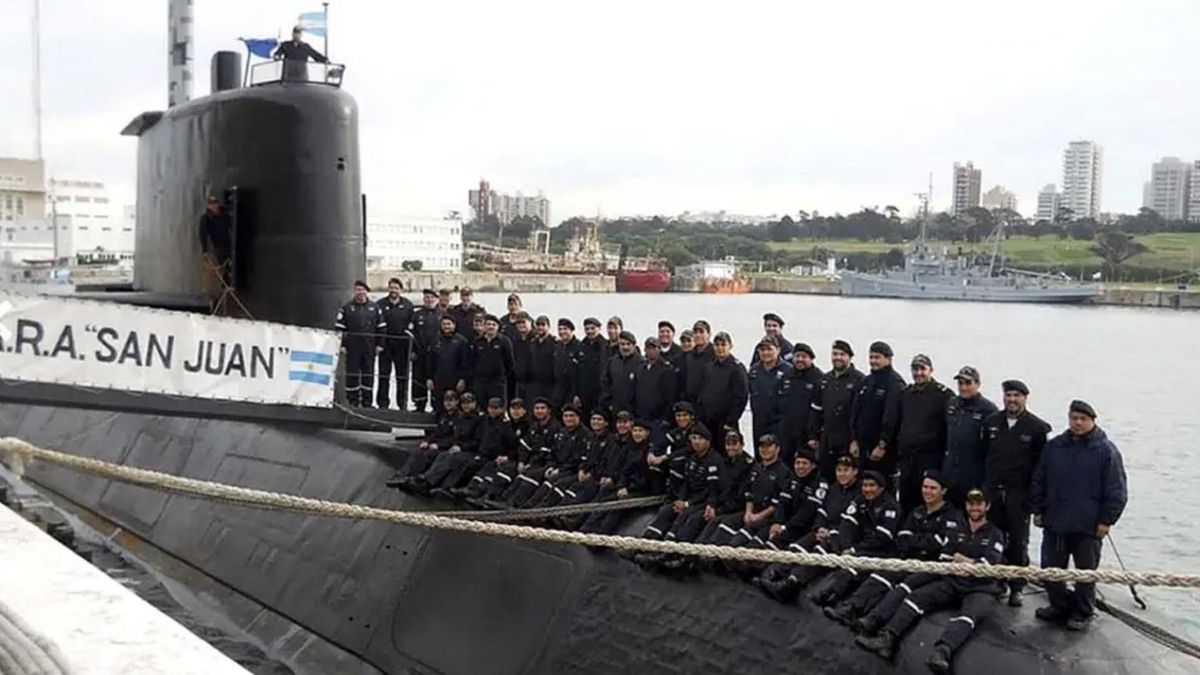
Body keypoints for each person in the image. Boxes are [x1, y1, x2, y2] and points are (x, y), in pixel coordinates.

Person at [854, 488, 1006, 674]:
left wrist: (962, 560)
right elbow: (944, 557)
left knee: (968, 615)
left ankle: (942, 652)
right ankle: (887, 639)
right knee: (916, 597)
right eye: (971, 504)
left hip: (981, 589)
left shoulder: (995, 534)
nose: (975, 508)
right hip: (953, 581)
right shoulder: (958, 529)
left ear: (987, 506)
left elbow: (988, 566)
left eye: (979, 504)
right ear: (966, 506)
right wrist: (966, 564)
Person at [1032, 400, 1128, 631]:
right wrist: (1037, 508)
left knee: (1085, 573)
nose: (1077, 423)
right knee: (1050, 570)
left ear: (1092, 421)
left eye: (1083, 419)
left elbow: (1117, 491)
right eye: (1074, 418)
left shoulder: (1106, 451)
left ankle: (1083, 611)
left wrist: (1106, 520)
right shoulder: (1054, 447)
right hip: (1055, 521)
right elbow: (1039, 479)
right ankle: (1060, 605)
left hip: (1088, 525)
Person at [824, 470, 963, 626]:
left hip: (931, 566)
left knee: (904, 587)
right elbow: (902, 539)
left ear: (943, 491)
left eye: (933, 488)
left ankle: (874, 621)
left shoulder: (952, 516)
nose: (927, 492)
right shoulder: (917, 511)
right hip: (908, 559)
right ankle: (850, 609)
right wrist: (922, 541)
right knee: (881, 575)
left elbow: (939, 544)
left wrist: (916, 541)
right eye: (925, 487)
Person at [982, 379, 1051, 607]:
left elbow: (1042, 468)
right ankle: (997, 580)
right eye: (1008, 395)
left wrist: (1037, 502)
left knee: (1019, 541)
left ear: (1025, 398)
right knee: (995, 537)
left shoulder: (1037, 428)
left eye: (1016, 396)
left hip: (1019, 494)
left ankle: (1017, 586)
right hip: (994, 492)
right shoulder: (992, 423)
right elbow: (984, 457)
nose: (1012, 400)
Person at [634, 424, 724, 559]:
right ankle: (645, 544)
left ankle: (672, 553)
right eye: (693, 438)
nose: (696, 442)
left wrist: (687, 503)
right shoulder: (693, 458)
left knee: (687, 517)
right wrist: (680, 499)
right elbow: (686, 483)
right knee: (666, 511)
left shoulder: (713, 461)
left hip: (704, 501)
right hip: (690, 498)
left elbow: (712, 490)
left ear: (708, 441)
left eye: (700, 438)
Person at [887, 354, 952, 513]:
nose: (919, 373)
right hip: (908, 459)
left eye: (923, 369)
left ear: (931, 370)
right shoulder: (906, 394)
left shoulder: (943, 395)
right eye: (915, 369)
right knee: (906, 501)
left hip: (930, 458)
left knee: (927, 500)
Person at [703, 434, 790, 548]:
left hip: (768, 517)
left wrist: (758, 516)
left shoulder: (784, 472)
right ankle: (703, 552)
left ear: (777, 449)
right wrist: (749, 512)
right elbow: (748, 493)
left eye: (768, 446)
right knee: (720, 524)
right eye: (762, 446)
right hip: (750, 512)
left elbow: (779, 502)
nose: (764, 450)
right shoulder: (756, 468)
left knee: (736, 542)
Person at [808, 340, 865, 482]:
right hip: (827, 439)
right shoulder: (825, 380)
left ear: (850, 357)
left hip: (847, 440)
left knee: (847, 478)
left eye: (842, 354)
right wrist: (813, 435)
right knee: (826, 476)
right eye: (835, 354)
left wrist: (855, 440)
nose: (838, 357)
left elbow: (861, 416)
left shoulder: (860, 380)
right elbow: (816, 410)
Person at [849, 341, 905, 483]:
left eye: (877, 357)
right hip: (862, 445)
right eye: (871, 357)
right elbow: (855, 412)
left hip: (882, 449)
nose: (873, 361)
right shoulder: (866, 381)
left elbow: (892, 417)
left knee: (880, 483)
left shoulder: (895, 383)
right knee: (863, 483)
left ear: (888, 359)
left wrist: (882, 444)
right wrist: (854, 440)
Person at [941, 366, 998, 504]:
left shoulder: (988, 409)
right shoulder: (952, 404)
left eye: (968, 383)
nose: (963, 388)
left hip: (973, 475)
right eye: (960, 383)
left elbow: (993, 449)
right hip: (950, 474)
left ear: (977, 384)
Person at [334, 281, 385, 407]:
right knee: (352, 374)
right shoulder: (347, 308)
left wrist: (380, 345)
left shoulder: (375, 308)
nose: (360, 292)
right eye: (357, 290)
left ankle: (367, 402)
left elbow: (382, 328)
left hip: (369, 346)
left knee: (368, 374)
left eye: (362, 290)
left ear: (366, 292)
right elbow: (339, 328)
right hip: (352, 347)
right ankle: (353, 401)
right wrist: (342, 345)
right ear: (354, 291)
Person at [777, 343, 823, 466]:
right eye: (797, 356)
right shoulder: (787, 376)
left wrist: (814, 435)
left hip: (807, 435)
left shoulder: (819, 378)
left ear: (811, 358)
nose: (800, 360)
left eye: (804, 357)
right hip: (787, 433)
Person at [697, 332, 749, 440]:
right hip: (708, 421)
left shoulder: (737, 368)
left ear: (730, 346)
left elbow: (741, 398)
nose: (720, 348)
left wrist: (730, 420)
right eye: (717, 345)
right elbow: (703, 391)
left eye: (723, 344)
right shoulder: (709, 366)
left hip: (726, 423)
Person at [376, 278, 415, 411]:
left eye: (396, 288)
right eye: (391, 287)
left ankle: (402, 404)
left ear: (400, 290)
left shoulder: (408, 305)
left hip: (402, 347)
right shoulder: (380, 304)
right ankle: (382, 404)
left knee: (402, 377)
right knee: (383, 376)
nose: (393, 290)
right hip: (385, 346)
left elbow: (411, 327)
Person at [748, 337, 792, 444]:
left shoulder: (789, 371)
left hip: (780, 424)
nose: (765, 353)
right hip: (759, 422)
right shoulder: (754, 370)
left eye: (769, 349)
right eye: (762, 350)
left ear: (778, 350)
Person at [409, 289, 443, 412]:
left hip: (436, 354)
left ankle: (436, 406)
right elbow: (410, 335)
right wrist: (412, 351)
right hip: (420, 353)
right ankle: (419, 405)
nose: (429, 300)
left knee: (436, 380)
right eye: (427, 297)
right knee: (418, 380)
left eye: (432, 298)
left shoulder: (442, 315)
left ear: (437, 299)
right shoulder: (417, 315)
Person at [426, 315, 470, 409]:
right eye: (444, 324)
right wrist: (429, 378)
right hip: (438, 380)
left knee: (454, 406)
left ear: (454, 325)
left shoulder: (461, 341)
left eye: (449, 324)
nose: (446, 326)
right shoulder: (435, 340)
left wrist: (462, 379)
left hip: (455, 380)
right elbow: (430, 361)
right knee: (438, 405)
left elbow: (465, 362)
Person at [635, 339, 679, 433]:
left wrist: (666, 418)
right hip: (642, 416)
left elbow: (671, 396)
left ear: (659, 349)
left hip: (658, 418)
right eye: (649, 348)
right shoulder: (640, 368)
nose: (651, 351)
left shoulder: (667, 369)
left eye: (654, 348)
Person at [470, 315, 516, 404]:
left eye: (493, 324)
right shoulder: (477, 342)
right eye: (488, 324)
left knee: (497, 408)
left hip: (497, 383)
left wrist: (501, 375)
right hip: (480, 382)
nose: (491, 326)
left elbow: (510, 363)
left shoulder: (504, 341)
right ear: (484, 326)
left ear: (498, 327)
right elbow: (473, 361)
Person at [600, 331, 644, 416]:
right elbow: (606, 383)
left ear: (634, 345)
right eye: (622, 344)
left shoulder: (641, 363)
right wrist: (608, 404)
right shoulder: (612, 362)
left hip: (634, 411)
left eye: (628, 344)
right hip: (615, 409)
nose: (625, 347)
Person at [198, 195, 233, 283]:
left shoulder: (225, 215)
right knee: (223, 267)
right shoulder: (206, 218)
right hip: (217, 246)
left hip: (228, 245)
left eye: (215, 203)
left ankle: (227, 287)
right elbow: (203, 233)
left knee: (229, 266)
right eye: (211, 204)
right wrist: (205, 250)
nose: (213, 206)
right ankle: (224, 288)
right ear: (208, 206)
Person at [576, 318, 607, 414]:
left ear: (599, 328)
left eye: (592, 328)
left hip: (599, 393)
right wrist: (576, 394)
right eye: (587, 329)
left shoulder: (605, 346)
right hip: (583, 394)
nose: (590, 331)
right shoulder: (581, 346)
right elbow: (576, 372)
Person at [525, 316, 557, 405]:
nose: (540, 327)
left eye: (543, 325)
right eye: (538, 325)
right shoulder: (532, 343)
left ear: (548, 326)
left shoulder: (555, 343)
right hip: (534, 384)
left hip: (549, 385)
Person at [552, 319, 584, 410]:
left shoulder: (579, 346)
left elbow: (582, 374)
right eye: (560, 329)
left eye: (565, 329)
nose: (562, 332)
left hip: (573, 391)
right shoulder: (558, 347)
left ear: (571, 330)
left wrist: (577, 394)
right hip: (558, 391)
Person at [682, 321, 715, 403]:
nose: (698, 335)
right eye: (695, 332)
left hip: (709, 405)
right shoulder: (689, 355)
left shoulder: (715, 355)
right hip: (691, 405)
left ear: (709, 335)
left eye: (701, 332)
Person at [510, 313, 535, 400]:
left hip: (534, 382)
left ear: (530, 322)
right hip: (519, 381)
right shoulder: (516, 340)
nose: (521, 325)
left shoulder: (536, 339)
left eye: (523, 322)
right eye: (518, 323)